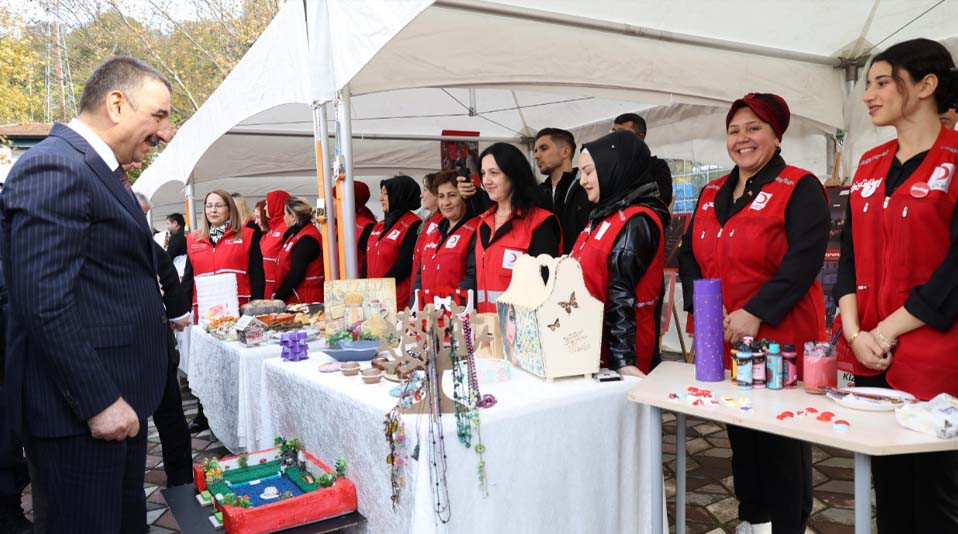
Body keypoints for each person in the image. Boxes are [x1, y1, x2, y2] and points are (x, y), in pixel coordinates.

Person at [0, 55, 173, 532]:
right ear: (116, 104)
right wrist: (98, 401)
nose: (164, 130)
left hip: (115, 405)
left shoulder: (92, 168)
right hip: (83, 415)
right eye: (158, 115)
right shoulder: (55, 166)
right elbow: (43, 301)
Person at [677, 93, 828, 534]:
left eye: (754, 128)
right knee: (739, 429)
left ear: (777, 135)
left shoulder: (800, 187)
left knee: (781, 437)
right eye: (734, 130)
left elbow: (804, 260)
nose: (742, 138)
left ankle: (786, 524)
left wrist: (756, 312)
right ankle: (752, 518)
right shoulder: (711, 192)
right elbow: (689, 256)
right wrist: (704, 306)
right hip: (726, 337)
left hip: (780, 334)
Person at [834, 38, 958, 534]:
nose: (868, 94)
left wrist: (883, 332)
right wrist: (853, 333)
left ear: (926, 85)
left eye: (882, 81)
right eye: (867, 83)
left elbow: (954, 271)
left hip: (935, 361)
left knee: (935, 498)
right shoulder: (868, 163)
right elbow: (849, 255)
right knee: (888, 491)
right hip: (870, 357)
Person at [570, 130, 670, 376]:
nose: (582, 180)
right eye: (580, 172)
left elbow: (621, 295)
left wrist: (623, 360)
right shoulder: (604, 215)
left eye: (588, 171)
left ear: (612, 168)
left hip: (619, 353)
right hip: (590, 343)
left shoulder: (636, 221)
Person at [135, 193, 193, 489]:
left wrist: (177, 311)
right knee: (138, 427)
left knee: (169, 418)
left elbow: (170, 277)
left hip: (154, 347)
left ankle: (181, 482)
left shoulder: (145, 241)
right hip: (129, 352)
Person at [464, 143, 561, 313]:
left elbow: (546, 285)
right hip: (486, 328)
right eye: (483, 173)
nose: (486, 181)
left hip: (523, 332)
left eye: (494, 173)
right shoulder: (483, 223)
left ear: (514, 175)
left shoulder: (540, 222)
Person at [181, 190, 265, 317]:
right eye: (209, 206)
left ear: (230, 209)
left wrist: (256, 309)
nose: (213, 210)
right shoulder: (193, 239)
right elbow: (188, 280)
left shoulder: (248, 235)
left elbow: (257, 276)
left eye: (218, 205)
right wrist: (182, 311)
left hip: (240, 310)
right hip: (206, 311)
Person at [413, 171, 479, 295]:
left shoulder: (476, 230)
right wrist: (415, 307)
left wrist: (450, 307)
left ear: (464, 197)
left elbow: (472, 277)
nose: (446, 202)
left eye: (452, 195)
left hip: (457, 311)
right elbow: (419, 278)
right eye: (441, 196)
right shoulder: (433, 233)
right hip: (429, 312)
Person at [366, 175, 422, 310]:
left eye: (386, 193)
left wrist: (381, 287)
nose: (381, 198)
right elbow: (367, 262)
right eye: (381, 193)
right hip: (374, 299)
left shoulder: (413, 224)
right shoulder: (379, 226)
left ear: (398, 195)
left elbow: (405, 263)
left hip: (397, 300)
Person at [533, 128, 591, 254]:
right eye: (535, 150)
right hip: (543, 269)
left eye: (544, 148)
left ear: (565, 151)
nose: (536, 155)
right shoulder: (536, 193)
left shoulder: (586, 187)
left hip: (579, 268)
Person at [612, 112, 674, 207]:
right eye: (613, 133)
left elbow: (663, 199)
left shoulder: (657, 166)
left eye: (621, 133)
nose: (614, 138)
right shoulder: (611, 168)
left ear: (640, 137)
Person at [273, 197, 324, 304]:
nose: (284, 218)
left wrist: (278, 298)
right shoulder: (294, 234)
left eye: (285, 214)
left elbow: (296, 273)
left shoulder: (307, 239)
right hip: (296, 297)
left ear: (293, 216)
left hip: (306, 300)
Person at [412, 173, 444, 300]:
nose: (421, 195)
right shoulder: (429, 220)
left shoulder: (443, 222)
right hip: (421, 289)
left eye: (425, 189)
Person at [260, 189, 291, 298]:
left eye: (267, 204)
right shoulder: (273, 229)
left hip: (278, 290)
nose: (264, 208)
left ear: (276, 204)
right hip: (267, 288)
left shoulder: (285, 228)